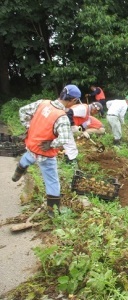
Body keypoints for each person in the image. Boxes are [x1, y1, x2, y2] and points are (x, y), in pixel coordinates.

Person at [11, 84, 81, 217]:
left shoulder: (42, 103)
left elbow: (22, 111)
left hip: (32, 145)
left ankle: (19, 170)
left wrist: (29, 127)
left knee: (29, 156)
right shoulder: (62, 117)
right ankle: (53, 210)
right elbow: (65, 139)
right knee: (52, 180)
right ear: (73, 100)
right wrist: (51, 144)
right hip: (45, 153)